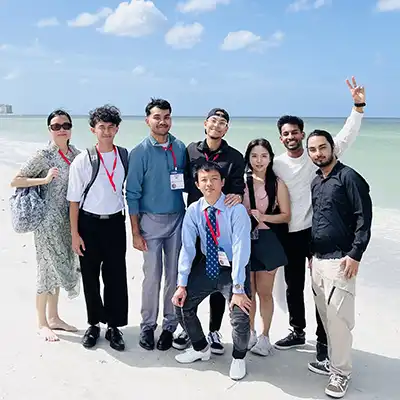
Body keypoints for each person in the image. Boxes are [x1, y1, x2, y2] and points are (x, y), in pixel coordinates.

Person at [273, 77, 366, 364]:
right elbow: (256, 177)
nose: (291, 137)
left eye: (295, 132)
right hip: (288, 232)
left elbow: (347, 135)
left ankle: (324, 341)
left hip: (315, 235)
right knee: (292, 286)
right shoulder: (276, 163)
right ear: (281, 137)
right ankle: (297, 330)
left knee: (320, 290)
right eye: (285, 133)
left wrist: (358, 106)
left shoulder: (318, 155)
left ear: (302, 134)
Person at [173, 107, 245, 354]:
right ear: (205, 124)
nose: (217, 125)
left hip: (220, 224)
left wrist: (238, 200)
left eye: (222, 122)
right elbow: (182, 179)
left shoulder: (234, 156)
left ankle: (214, 329)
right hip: (196, 220)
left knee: (218, 277)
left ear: (227, 128)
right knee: (193, 272)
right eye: (213, 121)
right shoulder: (191, 150)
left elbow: (237, 188)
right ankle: (188, 328)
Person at [306, 129, 372, 398]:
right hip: (318, 261)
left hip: (341, 261)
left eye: (323, 147)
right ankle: (331, 362)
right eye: (313, 149)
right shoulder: (316, 181)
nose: (318, 153)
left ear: (332, 147)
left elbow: (363, 219)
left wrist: (356, 254)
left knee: (339, 322)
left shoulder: (349, 177)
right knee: (326, 317)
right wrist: (311, 256)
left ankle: (341, 373)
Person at [172, 161, 251, 380]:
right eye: (204, 180)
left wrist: (238, 287)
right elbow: (187, 249)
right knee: (181, 304)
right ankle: (200, 349)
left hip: (234, 268)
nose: (209, 184)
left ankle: (238, 357)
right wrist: (181, 284)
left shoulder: (236, 210)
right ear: (197, 184)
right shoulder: (194, 210)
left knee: (240, 313)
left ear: (222, 182)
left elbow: (241, 248)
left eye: (214, 179)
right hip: (209, 265)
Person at [11, 110, 80, 342]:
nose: (61, 129)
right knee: (46, 269)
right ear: (49, 129)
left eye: (65, 125)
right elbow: (16, 180)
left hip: (68, 220)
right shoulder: (43, 155)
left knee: (60, 267)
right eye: (56, 125)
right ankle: (42, 322)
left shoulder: (76, 155)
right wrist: (44, 179)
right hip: (46, 221)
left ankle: (55, 317)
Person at [126, 98, 186, 351]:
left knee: (175, 276)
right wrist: (135, 232)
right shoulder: (139, 152)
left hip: (177, 220)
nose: (162, 122)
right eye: (157, 117)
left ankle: (169, 325)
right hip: (149, 222)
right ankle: (147, 325)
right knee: (152, 276)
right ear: (147, 120)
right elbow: (132, 194)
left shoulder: (180, 147)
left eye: (167, 117)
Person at [67, 105, 129, 351]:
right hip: (89, 223)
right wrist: (75, 234)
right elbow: (73, 200)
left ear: (117, 129)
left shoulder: (124, 156)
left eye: (110, 127)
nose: (106, 131)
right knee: (90, 277)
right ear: (93, 129)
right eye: (101, 127)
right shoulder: (83, 160)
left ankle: (114, 326)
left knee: (116, 277)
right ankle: (93, 324)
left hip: (115, 223)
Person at [242, 139, 290, 356]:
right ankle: (250, 332)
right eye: (254, 156)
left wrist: (263, 217)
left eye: (263, 156)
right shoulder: (241, 182)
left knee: (265, 293)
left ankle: (265, 336)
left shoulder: (277, 183)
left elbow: (286, 215)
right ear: (248, 158)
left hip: (268, 240)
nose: (258, 160)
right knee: (248, 291)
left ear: (270, 158)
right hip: (245, 241)